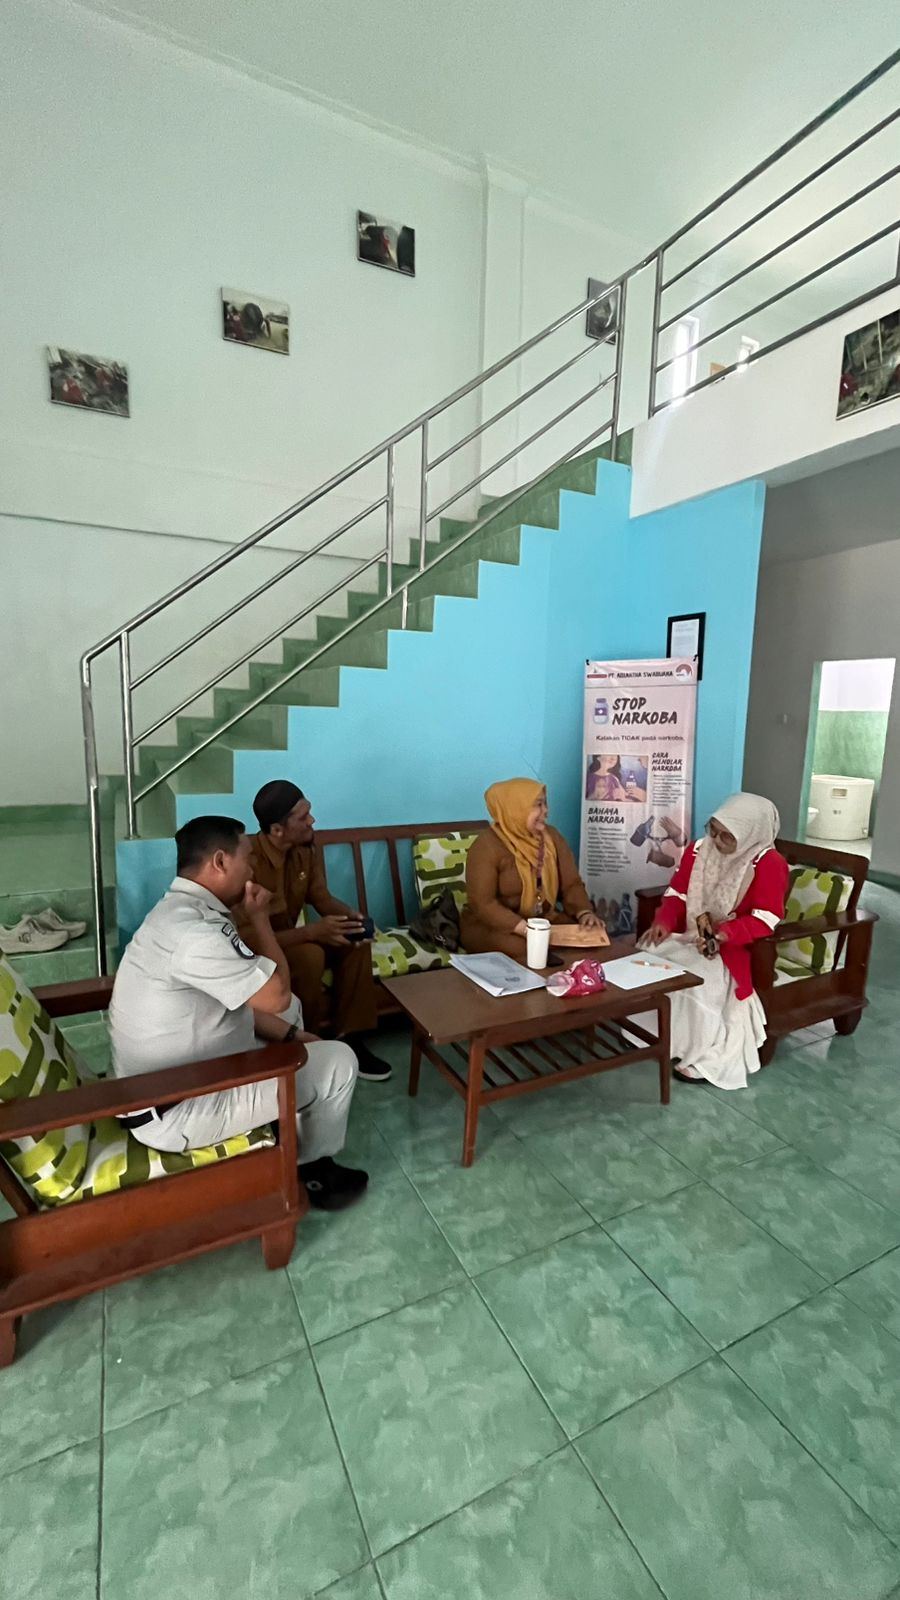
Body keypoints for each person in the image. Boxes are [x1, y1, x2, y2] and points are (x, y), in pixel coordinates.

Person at [108, 815, 366, 1210]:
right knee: (339, 1062)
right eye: (248, 858)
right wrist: (261, 919)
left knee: (292, 1017)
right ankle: (311, 1170)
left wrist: (291, 1035)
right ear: (220, 862)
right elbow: (276, 994)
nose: (252, 869)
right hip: (179, 1108)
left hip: (178, 1077)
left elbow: (246, 1003)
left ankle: (287, 1122)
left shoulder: (180, 911)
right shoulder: (195, 933)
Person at [240, 780, 392, 1082]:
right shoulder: (248, 862)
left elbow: (320, 897)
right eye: (303, 816)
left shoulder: (305, 850)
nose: (312, 820)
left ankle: (349, 1037)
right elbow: (248, 938)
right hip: (261, 951)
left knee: (354, 942)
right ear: (277, 830)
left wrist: (352, 919)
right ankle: (306, 1042)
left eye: (309, 811)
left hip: (293, 940)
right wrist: (312, 932)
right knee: (310, 955)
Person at [639, 792, 788, 1090]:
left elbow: (766, 918)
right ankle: (659, 1036)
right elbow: (678, 894)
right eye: (714, 830)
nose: (716, 841)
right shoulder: (699, 850)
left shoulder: (768, 863)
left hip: (736, 948)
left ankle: (701, 1052)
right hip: (693, 936)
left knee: (700, 978)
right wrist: (664, 922)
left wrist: (724, 934)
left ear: (750, 834)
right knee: (648, 954)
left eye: (727, 836)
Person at [461, 777, 604, 959]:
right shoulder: (485, 846)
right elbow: (483, 904)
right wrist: (526, 929)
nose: (546, 811)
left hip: (542, 921)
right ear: (516, 809)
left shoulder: (552, 837)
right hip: (494, 926)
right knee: (528, 948)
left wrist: (584, 912)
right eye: (538, 805)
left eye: (545, 804)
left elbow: (571, 884)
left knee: (591, 935)